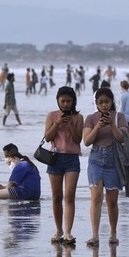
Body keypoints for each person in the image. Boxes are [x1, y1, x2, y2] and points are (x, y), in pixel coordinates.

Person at [83, 88, 128, 246]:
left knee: (112, 200)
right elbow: (87, 141)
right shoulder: (90, 118)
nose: (104, 105)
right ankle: (95, 235)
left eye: (106, 102)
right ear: (96, 103)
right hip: (95, 159)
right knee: (96, 198)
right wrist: (98, 127)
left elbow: (122, 138)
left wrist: (112, 125)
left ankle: (113, 233)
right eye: (100, 102)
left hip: (113, 160)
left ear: (112, 102)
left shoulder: (119, 117)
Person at [43, 87, 84, 245]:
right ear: (58, 101)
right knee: (56, 196)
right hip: (55, 158)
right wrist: (58, 123)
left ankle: (68, 232)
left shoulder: (78, 117)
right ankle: (59, 229)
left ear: (73, 101)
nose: (66, 104)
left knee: (69, 196)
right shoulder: (52, 116)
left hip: (72, 158)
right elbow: (47, 137)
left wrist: (71, 124)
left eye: (69, 101)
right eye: (63, 101)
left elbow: (78, 139)